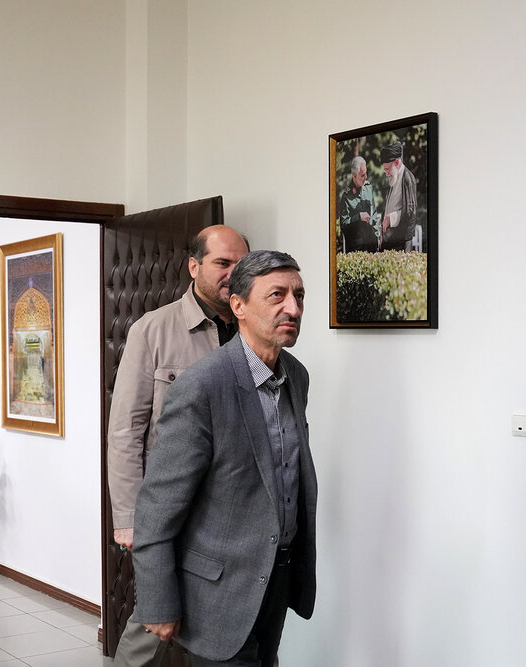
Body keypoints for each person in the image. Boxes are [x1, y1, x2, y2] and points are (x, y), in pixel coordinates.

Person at [131, 250, 317, 666]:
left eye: (299, 296)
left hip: (276, 579)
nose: (293, 308)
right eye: (277, 295)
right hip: (217, 591)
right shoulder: (202, 386)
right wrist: (157, 600)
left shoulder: (296, 376)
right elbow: (157, 507)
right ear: (239, 306)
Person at [109, 224, 250, 666]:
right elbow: (126, 429)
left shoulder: (251, 329)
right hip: (170, 509)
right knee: (152, 621)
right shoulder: (153, 330)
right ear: (194, 266)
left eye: (240, 264)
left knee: (224, 623)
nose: (232, 274)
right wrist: (128, 518)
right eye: (222, 263)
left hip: (231, 512)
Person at [378, 142, 418, 251]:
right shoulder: (394, 177)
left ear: (396, 162)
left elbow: (411, 211)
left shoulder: (407, 178)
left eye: (387, 169)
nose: (386, 173)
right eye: (385, 170)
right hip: (389, 240)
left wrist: (391, 218)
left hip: (401, 243)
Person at [337, 155, 377, 252]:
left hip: (371, 245)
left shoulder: (368, 188)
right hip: (356, 248)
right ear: (354, 176)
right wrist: (358, 217)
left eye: (366, 173)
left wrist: (377, 236)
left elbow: (374, 213)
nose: (366, 177)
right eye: (362, 175)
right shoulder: (346, 197)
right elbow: (343, 224)